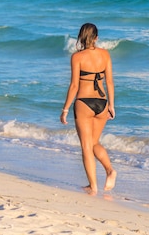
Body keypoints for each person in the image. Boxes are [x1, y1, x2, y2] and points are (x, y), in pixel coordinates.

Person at [60, 23, 116, 195]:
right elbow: (109, 82)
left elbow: (75, 85)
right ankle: (110, 170)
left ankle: (93, 186)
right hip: (102, 103)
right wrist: (112, 106)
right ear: (97, 37)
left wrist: (65, 109)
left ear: (81, 37)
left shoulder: (77, 57)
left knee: (86, 146)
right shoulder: (105, 54)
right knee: (94, 143)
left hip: (84, 103)